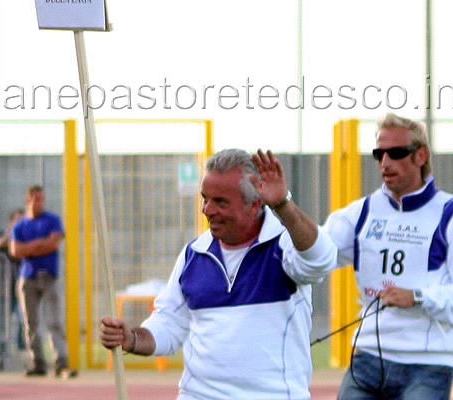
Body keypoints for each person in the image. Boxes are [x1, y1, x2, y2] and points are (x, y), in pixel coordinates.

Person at [100, 149, 338, 400]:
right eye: (205, 198)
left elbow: (321, 260)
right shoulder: (194, 253)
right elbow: (168, 324)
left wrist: (283, 204)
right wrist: (132, 338)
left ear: (254, 203)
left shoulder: (285, 245)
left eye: (221, 202)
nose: (207, 209)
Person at [316, 113, 453, 400]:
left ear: (420, 156)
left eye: (396, 153)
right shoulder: (361, 211)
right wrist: (282, 207)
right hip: (368, 357)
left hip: (429, 364)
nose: (385, 162)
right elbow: (313, 254)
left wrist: (419, 297)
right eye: (379, 153)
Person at [9, 185, 77, 379]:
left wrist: (28, 248)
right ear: (27, 200)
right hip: (27, 278)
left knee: (54, 321)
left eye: (42, 199)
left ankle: (61, 363)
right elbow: (15, 251)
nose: (39, 203)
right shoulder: (20, 225)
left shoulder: (52, 220)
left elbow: (53, 243)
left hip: (49, 277)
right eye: (36, 199)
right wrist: (39, 244)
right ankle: (37, 362)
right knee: (30, 323)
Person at [0, 208, 25, 351]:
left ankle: (22, 347)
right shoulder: (5, 235)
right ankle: (1, 349)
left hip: (21, 287)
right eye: (17, 220)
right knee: (2, 321)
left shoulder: (25, 236)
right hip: (4, 287)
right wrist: (12, 232)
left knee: (22, 319)